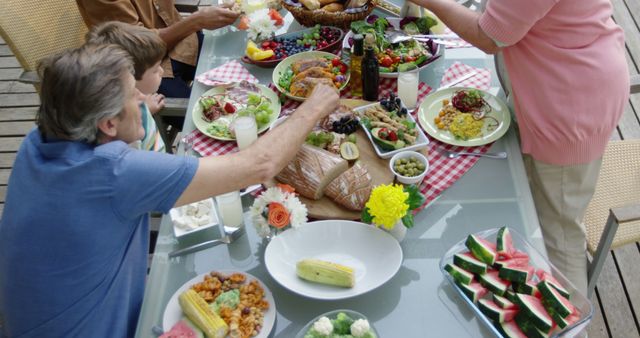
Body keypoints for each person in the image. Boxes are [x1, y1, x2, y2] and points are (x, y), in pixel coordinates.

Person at [0, 44, 338, 338]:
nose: (142, 98)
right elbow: (259, 165)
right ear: (108, 124)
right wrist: (313, 107)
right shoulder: (115, 172)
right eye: (133, 93)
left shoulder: (37, 142)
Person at [409, 0, 630, 294]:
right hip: (550, 78)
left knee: (560, 234)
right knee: (513, 189)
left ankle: (572, 326)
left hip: (569, 106)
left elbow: (488, 36)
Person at [75, 0, 240, 99]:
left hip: (185, 43)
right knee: (210, 117)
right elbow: (139, 47)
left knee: (242, 69)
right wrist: (197, 20)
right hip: (146, 68)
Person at [86, 21, 171, 152]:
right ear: (129, 78)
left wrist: (145, 109)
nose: (161, 71)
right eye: (155, 70)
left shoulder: (138, 104)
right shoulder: (124, 132)